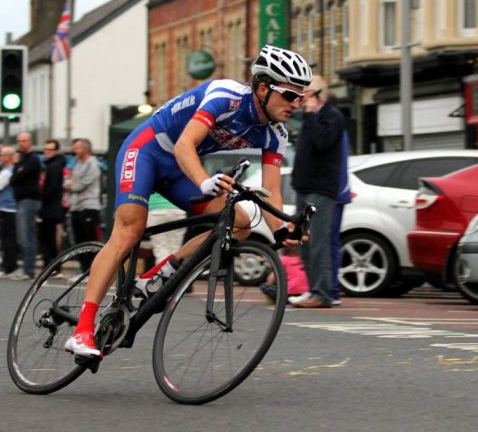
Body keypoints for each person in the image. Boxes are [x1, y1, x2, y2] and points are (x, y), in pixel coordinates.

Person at [64, 45, 312, 358]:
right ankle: (82, 330)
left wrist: (282, 227)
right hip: (147, 151)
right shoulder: (226, 96)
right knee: (129, 232)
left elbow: (271, 191)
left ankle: (157, 277)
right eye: (289, 95)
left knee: (239, 223)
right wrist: (203, 182)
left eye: (301, 96)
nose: (296, 103)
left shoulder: (276, 133)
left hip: (177, 171)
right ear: (262, 88)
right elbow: (184, 145)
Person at [290, 75, 345, 308]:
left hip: (321, 189)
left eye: (306, 94)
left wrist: (311, 115)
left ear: (317, 95)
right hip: (305, 187)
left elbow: (323, 142)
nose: (301, 98)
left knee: (318, 242)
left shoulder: (332, 116)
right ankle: (313, 290)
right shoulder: (307, 118)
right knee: (304, 242)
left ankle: (322, 293)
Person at [11, 132, 42, 280]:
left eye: (23, 141)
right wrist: (17, 168)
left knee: (26, 236)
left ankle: (29, 270)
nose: (20, 143)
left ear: (30, 142)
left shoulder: (33, 159)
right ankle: (26, 267)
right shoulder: (21, 160)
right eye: (19, 141)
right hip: (21, 200)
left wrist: (18, 168)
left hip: (29, 200)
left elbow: (19, 176)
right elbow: (14, 178)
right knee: (21, 236)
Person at [66, 138, 102, 244]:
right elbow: (67, 181)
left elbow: (79, 185)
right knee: (79, 243)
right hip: (75, 208)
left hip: (88, 207)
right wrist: (71, 183)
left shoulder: (93, 165)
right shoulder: (77, 164)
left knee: (90, 242)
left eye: (77, 148)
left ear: (86, 149)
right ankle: (83, 261)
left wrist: (72, 184)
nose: (74, 150)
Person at [330, 131, 352, 306]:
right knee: (330, 243)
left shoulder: (332, 124)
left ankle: (331, 290)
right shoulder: (334, 124)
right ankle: (330, 289)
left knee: (329, 243)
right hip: (335, 192)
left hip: (333, 193)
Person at [0, 146, 18, 278]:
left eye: (2, 155)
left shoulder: (8, 171)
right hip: (4, 207)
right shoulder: (5, 170)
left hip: (7, 208)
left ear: (9, 157)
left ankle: (9, 266)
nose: (0, 158)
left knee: (8, 239)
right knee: (6, 238)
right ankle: (8, 265)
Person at [39, 139, 66, 269]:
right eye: (46, 149)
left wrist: (42, 198)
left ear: (56, 151)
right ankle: (51, 265)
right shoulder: (51, 164)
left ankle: (53, 266)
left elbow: (53, 187)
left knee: (49, 238)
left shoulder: (55, 166)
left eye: (50, 149)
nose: (47, 152)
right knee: (48, 237)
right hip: (51, 206)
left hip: (51, 207)